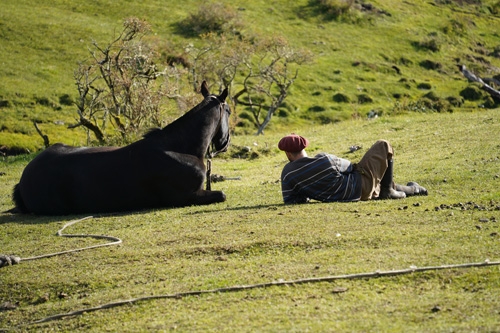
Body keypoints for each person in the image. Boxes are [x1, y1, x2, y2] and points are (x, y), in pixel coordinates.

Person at [278, 134, 427, 204]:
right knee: (383, 144)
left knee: (378, 184)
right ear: (305, 147)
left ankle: (415, 189)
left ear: (288, 153)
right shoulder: (324, 159)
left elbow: (292, 200)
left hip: (343, 196)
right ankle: (388, 192)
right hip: (359, 188)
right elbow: (350, 167)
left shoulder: (287, 173)